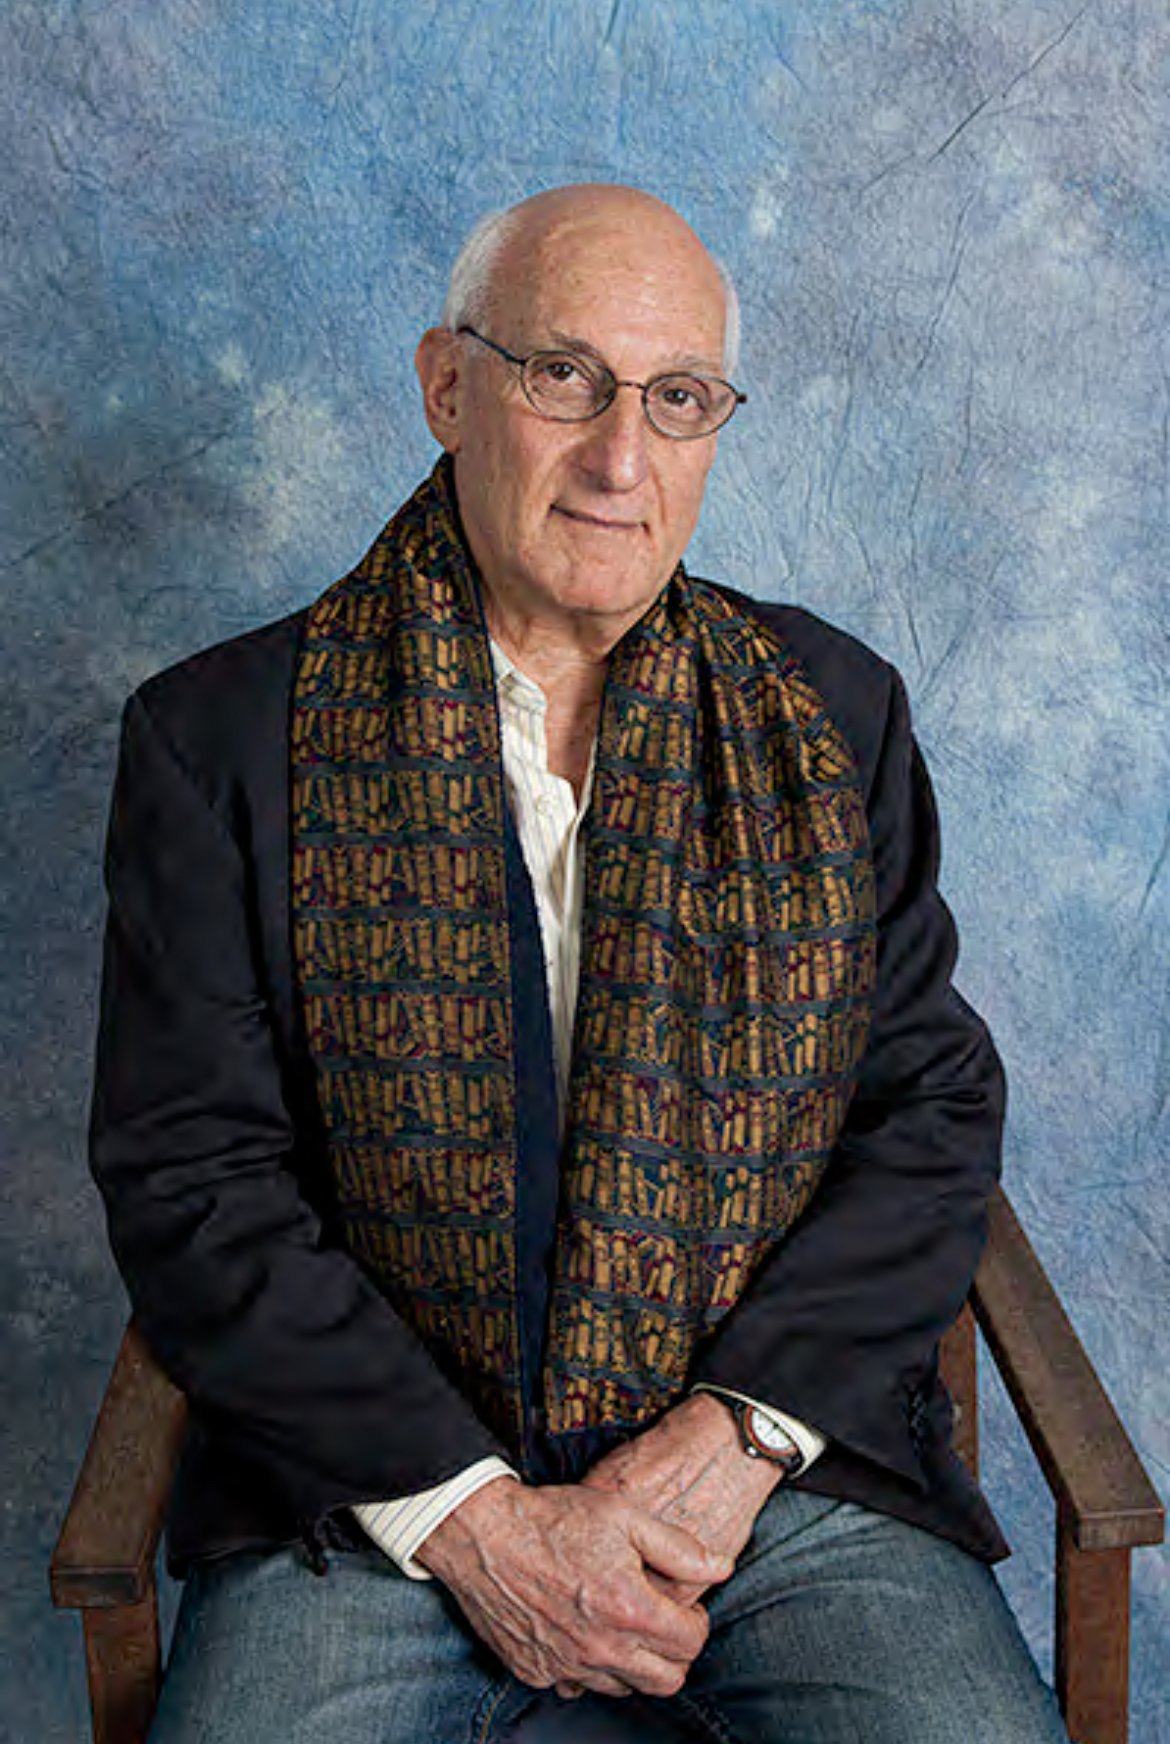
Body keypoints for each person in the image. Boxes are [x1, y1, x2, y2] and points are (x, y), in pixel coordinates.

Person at [90, 183, 1068, 1743]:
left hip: (769, 1485)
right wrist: (474, 1520)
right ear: (446, 385)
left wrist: (733, 1439)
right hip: (373, 1495)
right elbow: (194, 1179)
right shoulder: (220, 741)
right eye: (564, 377)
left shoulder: (831, 714)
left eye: (676, 398)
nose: (622, 457)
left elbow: (928, 1116)